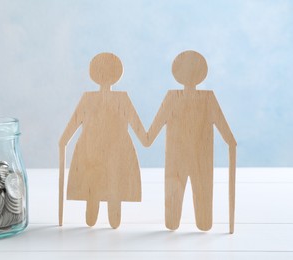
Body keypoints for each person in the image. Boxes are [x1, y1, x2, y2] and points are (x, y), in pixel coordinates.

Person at [146, 50, 237, 232]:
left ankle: (181, 222)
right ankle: (199, 223)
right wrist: (231, 143)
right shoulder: (206, 98)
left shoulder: (174, 98)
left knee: (178, 195)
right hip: (197, 159)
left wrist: (143, 137)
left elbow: (151, 134)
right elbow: (227, 134)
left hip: (180, 158)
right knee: (201, 195)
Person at [59, 52, 148, 229]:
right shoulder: (120, 99)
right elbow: (139, 129)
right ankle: (110, 218)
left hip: (92, 148)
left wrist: (63, 141)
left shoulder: (90, 98)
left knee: (94, 181)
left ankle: (94, 215)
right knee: (112, 182)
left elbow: (72, 125)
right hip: (114, 149)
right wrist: (148, 138)